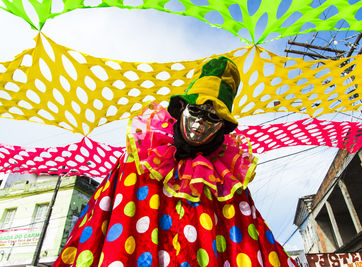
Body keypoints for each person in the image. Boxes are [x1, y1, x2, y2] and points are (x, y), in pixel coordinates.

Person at [54, 57, 297, 267]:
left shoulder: (227, 185)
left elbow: (256, 243)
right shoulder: (140, 160)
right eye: (197, 111)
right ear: (181, 107)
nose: (201, 123)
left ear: (223, 128)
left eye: (213, 117)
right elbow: (98, 222)